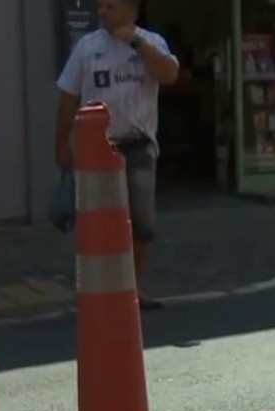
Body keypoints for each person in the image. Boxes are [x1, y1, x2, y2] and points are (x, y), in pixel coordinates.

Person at [54, 0, 180, 310]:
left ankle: (135, 287)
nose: (102, 12)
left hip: (138, 145)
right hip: (97, 148)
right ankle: (99, 286)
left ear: (130, 10)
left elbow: (169, 74)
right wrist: (61, 143)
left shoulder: (151, 42)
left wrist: (135, 42)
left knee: (142, 223)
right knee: (99, 221)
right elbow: (68, 97)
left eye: (110, 6)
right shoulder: (87, 47)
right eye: (101, 7)